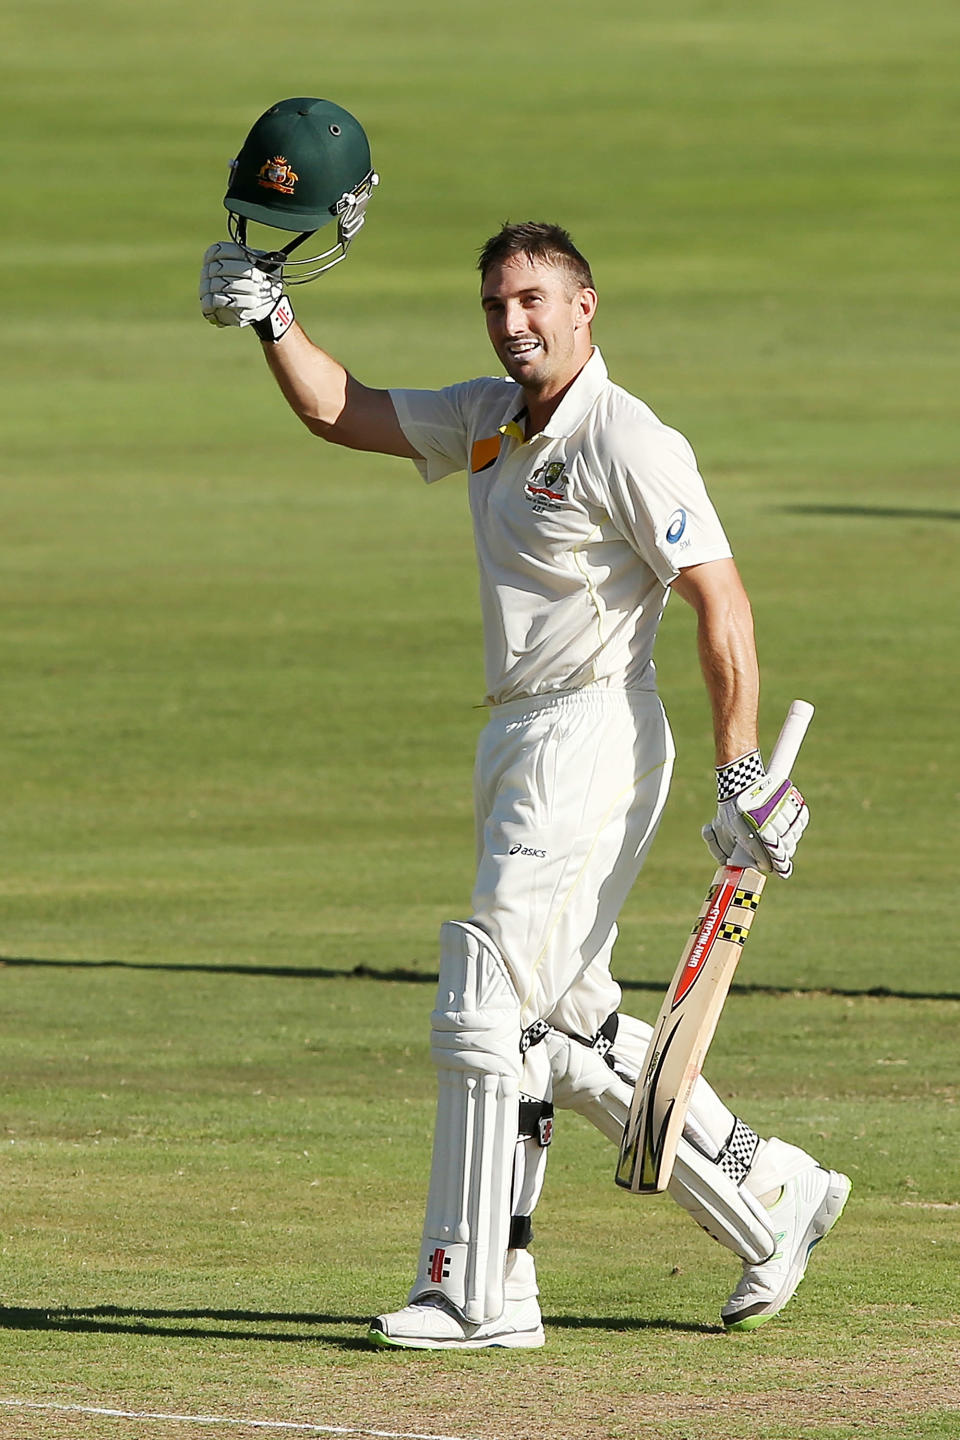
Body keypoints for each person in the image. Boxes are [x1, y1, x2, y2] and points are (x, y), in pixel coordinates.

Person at [201, 172, 849, 1350]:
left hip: (597, 729)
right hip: (518, 735)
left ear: (587, 307)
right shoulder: (494, 417)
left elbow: (721, 600)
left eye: (537, 300)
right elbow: (345, 412)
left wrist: (742, 771)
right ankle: (771, 1193)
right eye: (499, 303)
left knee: (490, 993)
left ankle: (480, 1290)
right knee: (566, 1023)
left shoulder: (627, 436)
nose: (516, 322)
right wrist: (272, 317)